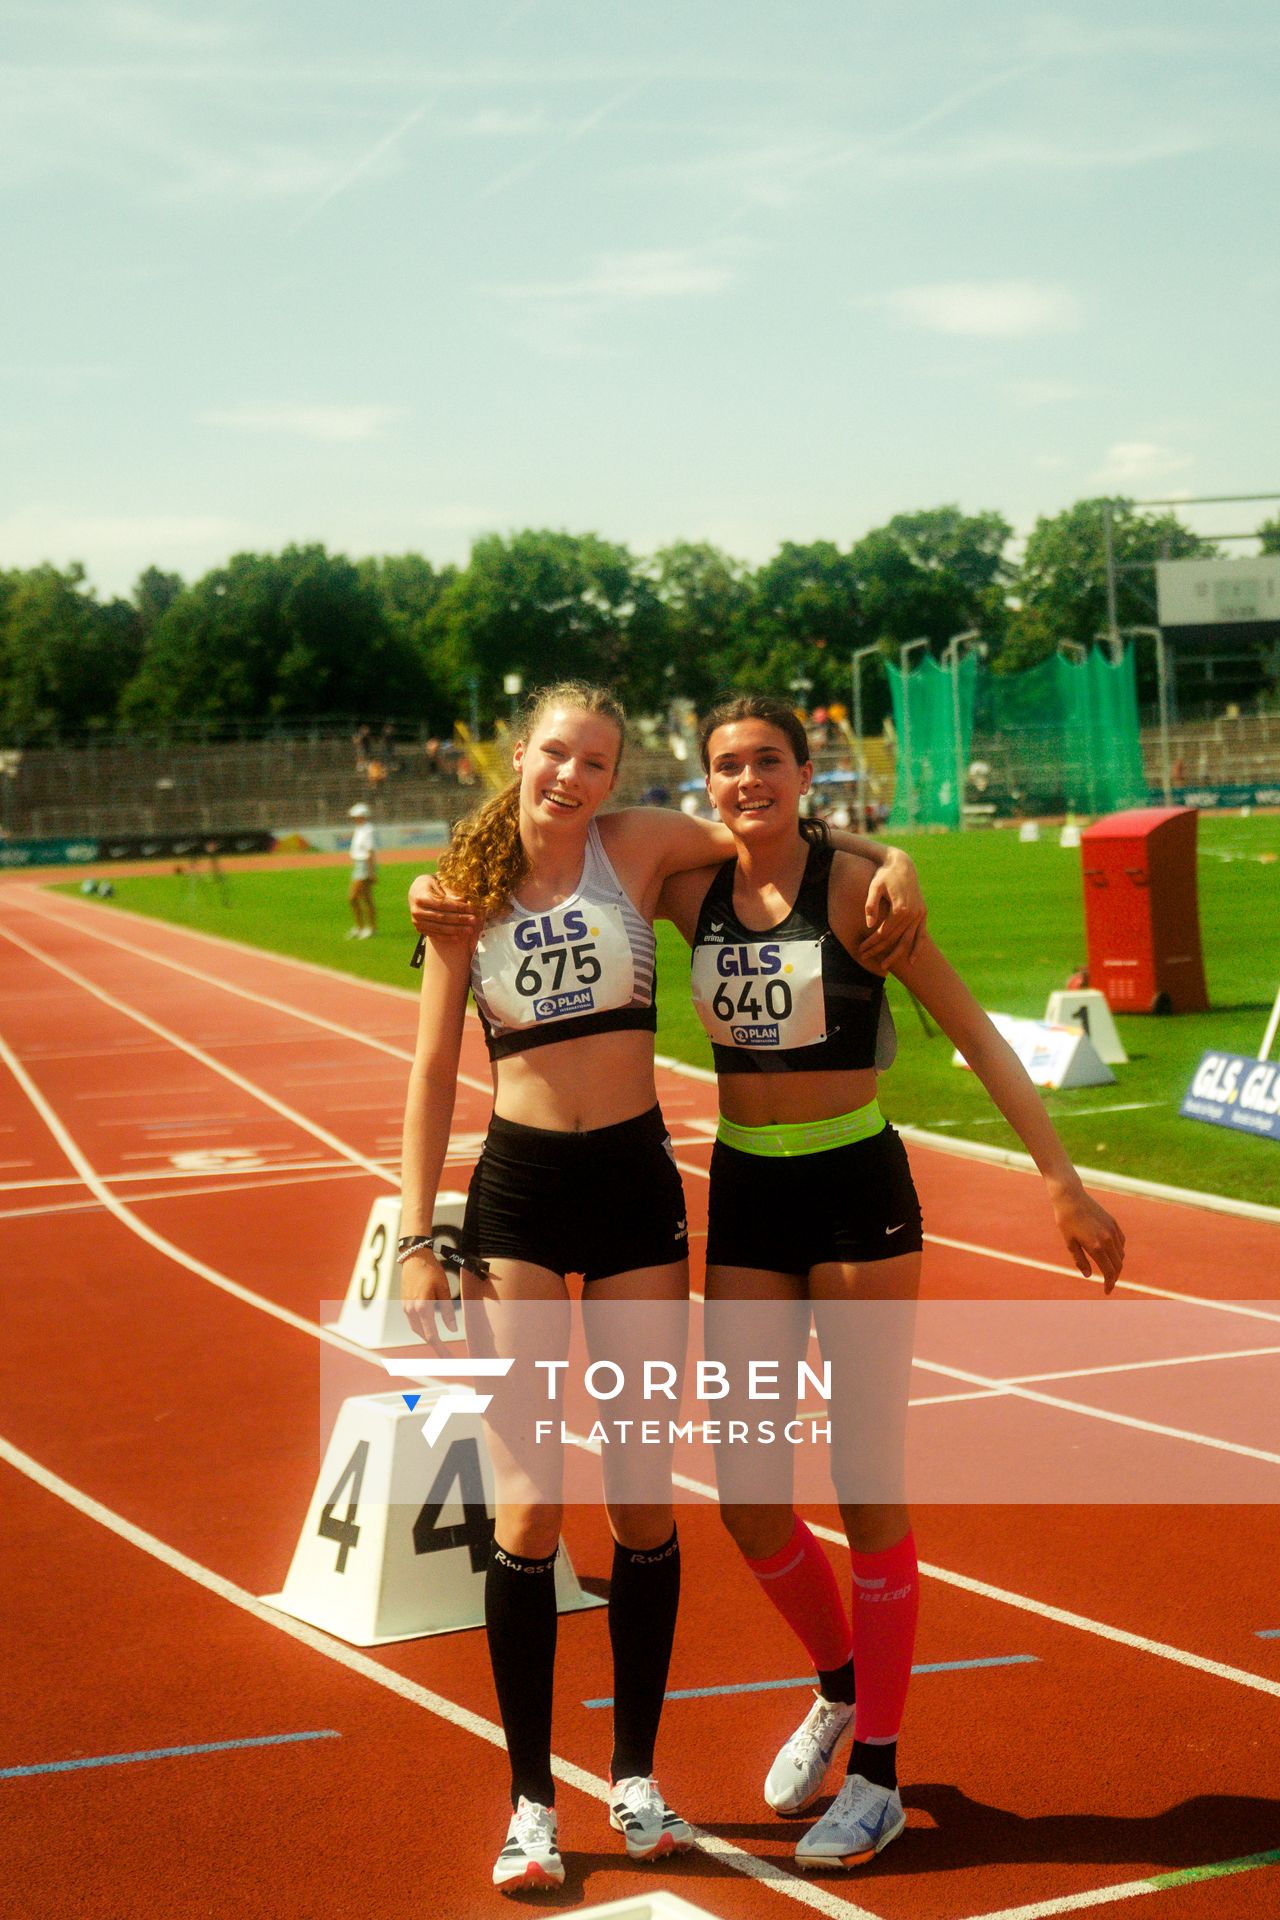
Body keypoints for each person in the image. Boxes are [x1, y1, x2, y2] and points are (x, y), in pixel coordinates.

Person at [399, 681, 927, 1893]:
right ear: (517, 757)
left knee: (642, 1501)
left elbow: (784, 834)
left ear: (616, 773)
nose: (572, 778)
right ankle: (530, 1802)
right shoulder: (460, 888)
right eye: (554, 755)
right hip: (518, 1197)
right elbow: (431, 1066)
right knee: (530, 1512)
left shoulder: (640, 846)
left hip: (636, 1193)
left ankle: (633, 1778)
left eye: (596, 760)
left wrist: (895, 851)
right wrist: (419, 1225)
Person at [654, 693, 1125, 1873]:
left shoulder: (859, 892)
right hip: (747, 1193)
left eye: (767, 760)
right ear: (704, 779)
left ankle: (875, 1768)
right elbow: (583, 832)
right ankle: (837, 1687)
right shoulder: (685, 887)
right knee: (748, 1496)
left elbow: (974, 1034)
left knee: (865, 1476)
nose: (746, 780)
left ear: (806, 772)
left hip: (857, 1189)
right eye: (726, 765)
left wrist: (1061, 1180)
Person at [346, 802, 377, 939]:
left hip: (364, 865)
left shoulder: (367, 830)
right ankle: (363, 927)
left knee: (353, 897)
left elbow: (370, 851)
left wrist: (371, 872)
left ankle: (367, 927)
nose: (354, 818)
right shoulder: (359, 829)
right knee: (366, 898)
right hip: (359, 864)